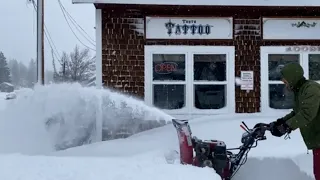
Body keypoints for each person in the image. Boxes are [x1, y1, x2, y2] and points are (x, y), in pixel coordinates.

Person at [267, 63, 320, 180]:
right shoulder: (300, 90)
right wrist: (280, 122)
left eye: (284, 78)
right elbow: (297, 112)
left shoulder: (311, 89)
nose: (282, 81)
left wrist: (286, 127)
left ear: (292, 78)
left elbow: (307, 113)